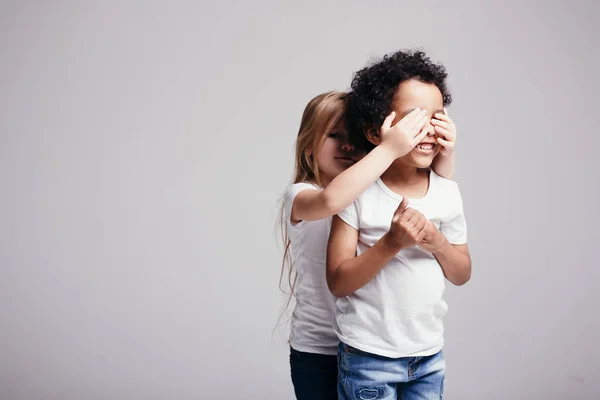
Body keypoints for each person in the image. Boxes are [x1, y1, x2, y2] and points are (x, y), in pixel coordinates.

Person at [326, 49, 471, 400]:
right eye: (413, 118)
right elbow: (338, 281)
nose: (428, 129)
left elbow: (462, 273)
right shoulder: (358, 193)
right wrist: (391, 243)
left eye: (436, 117)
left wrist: (435, 240)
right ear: (377, 132)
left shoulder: (447, 192)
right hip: (368, 356)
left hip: (428, 356)